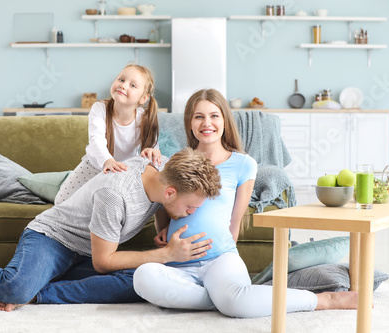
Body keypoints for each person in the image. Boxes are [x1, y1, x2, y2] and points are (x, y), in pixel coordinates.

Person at [133, 89, 358, 318]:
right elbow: (163, 202)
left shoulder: (243, 164)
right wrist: (163, 229)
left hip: (219, 259)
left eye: (214, 115)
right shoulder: (175, 160)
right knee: (143, 277)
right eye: (198, 116)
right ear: (190, 123)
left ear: (225, 121)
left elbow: (235, 222)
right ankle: (227, 300)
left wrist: (224, 256)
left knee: (234, 301)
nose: (206, 123)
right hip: (178, 261)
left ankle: (321, 300)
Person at [0, 148, 222, 312]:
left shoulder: (164, 169)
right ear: (169, 193)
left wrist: (165, 225)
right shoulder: (116, 194)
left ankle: (40, 294)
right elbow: (104, 262)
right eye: (190, 207)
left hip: (90, 250)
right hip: (53, 240)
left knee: (144, 280)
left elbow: (167, 184)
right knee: (15, 288)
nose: (191, 213)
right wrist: (166, 253)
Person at [54, 63, 161, 205]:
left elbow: (154, 147)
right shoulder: (99, 108)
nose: (123, 85)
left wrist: (153, 150)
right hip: (94, 165)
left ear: (143, 98)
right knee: (61, 201)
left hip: (123, 172)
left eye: (133, 85)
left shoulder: (145, 118)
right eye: (121, 80)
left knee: (109, 205)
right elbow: (96, 140)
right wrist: (108, 161)